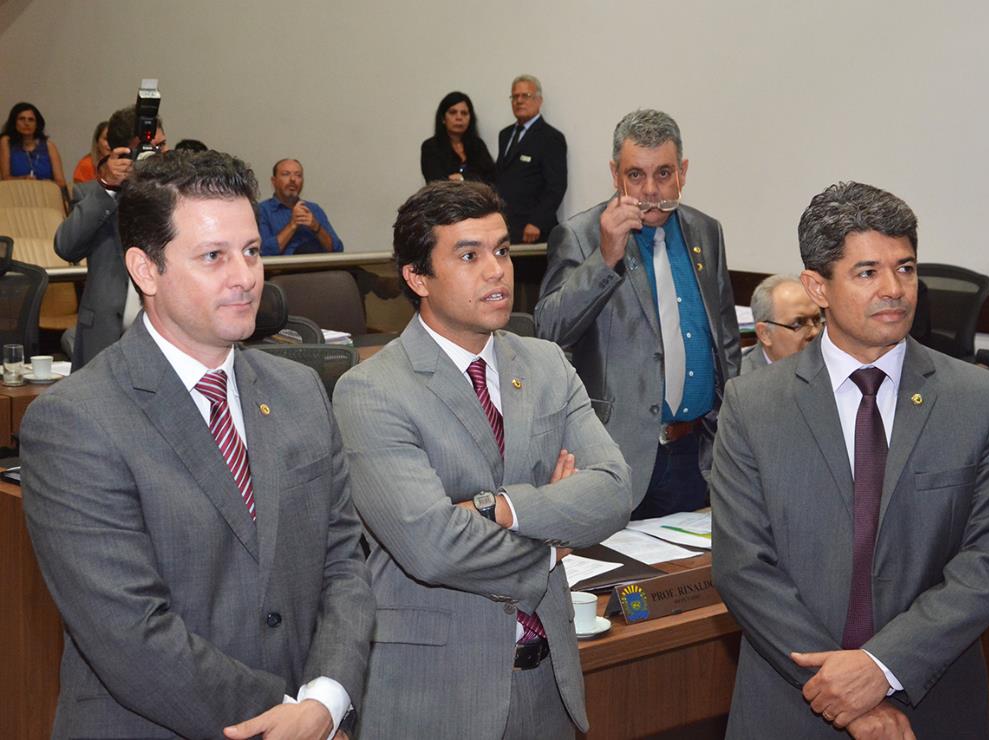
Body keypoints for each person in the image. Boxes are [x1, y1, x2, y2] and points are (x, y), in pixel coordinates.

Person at [21, 150, 374, 739]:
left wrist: (327, 699)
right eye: (214, 256)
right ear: (145, 269)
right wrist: (287, 717)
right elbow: (131, 634)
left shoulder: (300, 391)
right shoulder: (75, 421)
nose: (245, 277)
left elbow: (344, 561)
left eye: (252, 251)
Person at [711, 181, 989, 738]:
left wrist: (882, 667)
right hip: (792, 704)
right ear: (818, 287)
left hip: (932, 706)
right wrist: (844, 692)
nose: (894, 289)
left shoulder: (975, 400)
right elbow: (743, 567)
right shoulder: (753, 405)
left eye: (905, 268)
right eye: (867, 272)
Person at [333, 180, 631, 738]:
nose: (497, 271)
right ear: (418, 278)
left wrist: (499, 508)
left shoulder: (547, 363)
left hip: (548, 684)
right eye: (469, 256)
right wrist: (551, 541)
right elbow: (431, 546)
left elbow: (614, 489)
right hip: (437, 695)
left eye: (502, 250)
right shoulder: (371, 390)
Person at [535, 108, 740, 517]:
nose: (650, 189)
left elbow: (726, 339)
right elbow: (548, 333)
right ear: (616, 175)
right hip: (616, 455)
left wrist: (727, 427)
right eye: (635, 175)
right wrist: (604, 257)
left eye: (663, 173)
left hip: (695, 452)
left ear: (683, 172)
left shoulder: (706, 230)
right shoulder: (580, 234)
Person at [54, 105, 168, 370]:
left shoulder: (177, 193)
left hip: (166, 332)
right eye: (150, 148)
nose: (159, 154)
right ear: (122, 153)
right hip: (105, 335)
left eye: (162, 145)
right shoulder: (92, 195)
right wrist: (108, 189)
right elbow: (66, 247)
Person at [494, 74, 567, 244]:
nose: (519, 101)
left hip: (533, 230)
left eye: (525, 95)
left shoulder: (551, 137)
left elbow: (556, 186)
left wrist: (537, 222)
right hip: (507, 227)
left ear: (539, 100)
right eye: (515, 96)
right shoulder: (505, 135)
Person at [258, 158, 344, 255]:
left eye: (298, 175)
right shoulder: (262, 210)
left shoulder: (314, 209)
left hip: (316, 263)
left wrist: (317, 227)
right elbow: (263, 252)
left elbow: (337, 249)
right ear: (274, 181)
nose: (293, 179)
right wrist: (292, 225)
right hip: (286, 264)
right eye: (286, 174)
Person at [741, 273, 823, 374]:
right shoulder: (742, 380)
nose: (815, 332)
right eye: (798, 324)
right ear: (765, 334)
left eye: (816, 320)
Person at [420, 91, 495, 184]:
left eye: (464, 113)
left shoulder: (478, 145)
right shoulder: (431, 146)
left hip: (477, 194)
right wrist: (473, 178)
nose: (459, 117)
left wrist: (462, 178)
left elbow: (491, 177)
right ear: (443, 118)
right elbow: (435, 180)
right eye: (453, 112)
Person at [0, 101, 69, 197]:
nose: (26, 123)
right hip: (16, 195)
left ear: (37, 124)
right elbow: (5, 178)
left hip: (45, 195)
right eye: (22, 119)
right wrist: (23, 180)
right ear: (14, 122)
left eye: (31, 120)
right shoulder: (6, 142)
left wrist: (46, 183)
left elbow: (61, 182)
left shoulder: (49, 146)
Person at [71, 120, 109, 184]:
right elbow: (80, 189)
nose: (110, 143)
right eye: (106, 139)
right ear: (97, 141)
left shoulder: (123, 164)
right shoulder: (86, 164)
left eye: (114, 139)